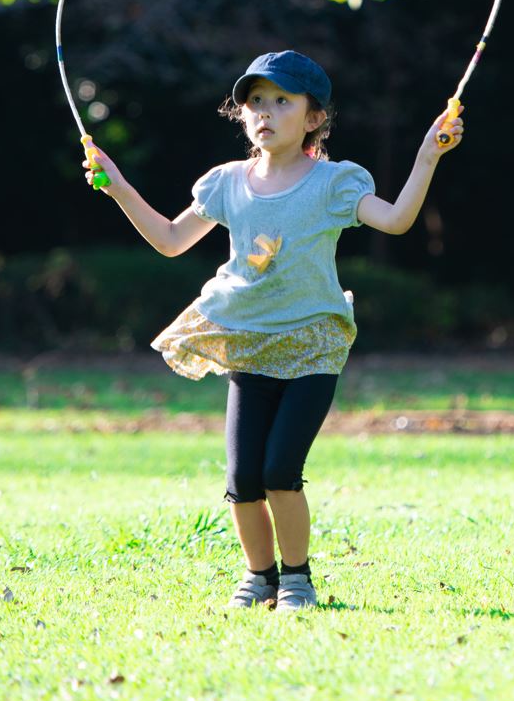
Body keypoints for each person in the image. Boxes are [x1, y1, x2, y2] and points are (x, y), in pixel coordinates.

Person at [82, 49, 463, 612]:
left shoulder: (334, 183)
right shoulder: (227, 183)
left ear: (313, 118)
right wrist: (117, 187)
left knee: (281, 471)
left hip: (312, 345)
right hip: (249, 343)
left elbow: (397, 220)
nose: (264, 112)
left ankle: (297, 580)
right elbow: (168, 239)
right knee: (242, 480)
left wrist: (428, 158)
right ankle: (258, 576)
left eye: (282, 101)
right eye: (255, 102)